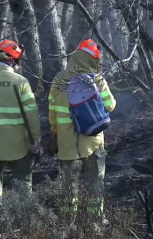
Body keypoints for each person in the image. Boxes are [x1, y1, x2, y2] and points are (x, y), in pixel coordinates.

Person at [47, 39, 116, 226]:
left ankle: (68, 223)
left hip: (67, 145)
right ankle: (95, 221)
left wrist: (55, 134)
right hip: (93, 143)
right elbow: (110, 105)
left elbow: (52, 112)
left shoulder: (59, 79)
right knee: (96, 183)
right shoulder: (97, 79)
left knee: (69, 187)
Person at [0, 40, 41, 208]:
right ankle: (24, 215)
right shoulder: (21, 82)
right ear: (11, 59)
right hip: (18, 143)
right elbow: (31, 114)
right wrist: (35, 139)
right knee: (23, 183)